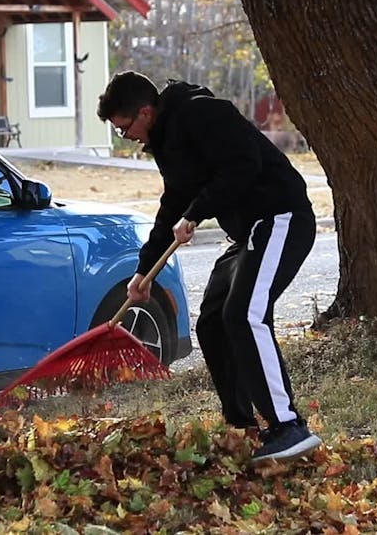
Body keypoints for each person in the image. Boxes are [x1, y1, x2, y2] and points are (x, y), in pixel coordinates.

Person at [97, 71, 321, 463]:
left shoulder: (201, 113)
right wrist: (142, 270)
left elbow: (243, 164)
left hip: (281, 217)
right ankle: (244, 426)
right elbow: (173, 207)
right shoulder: (167, 143)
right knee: (213, 321)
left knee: (245, 314)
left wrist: (199, 212)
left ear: (146, 112)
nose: (125, 136)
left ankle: (288, 426)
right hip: (249, 232)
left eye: (124, 128)